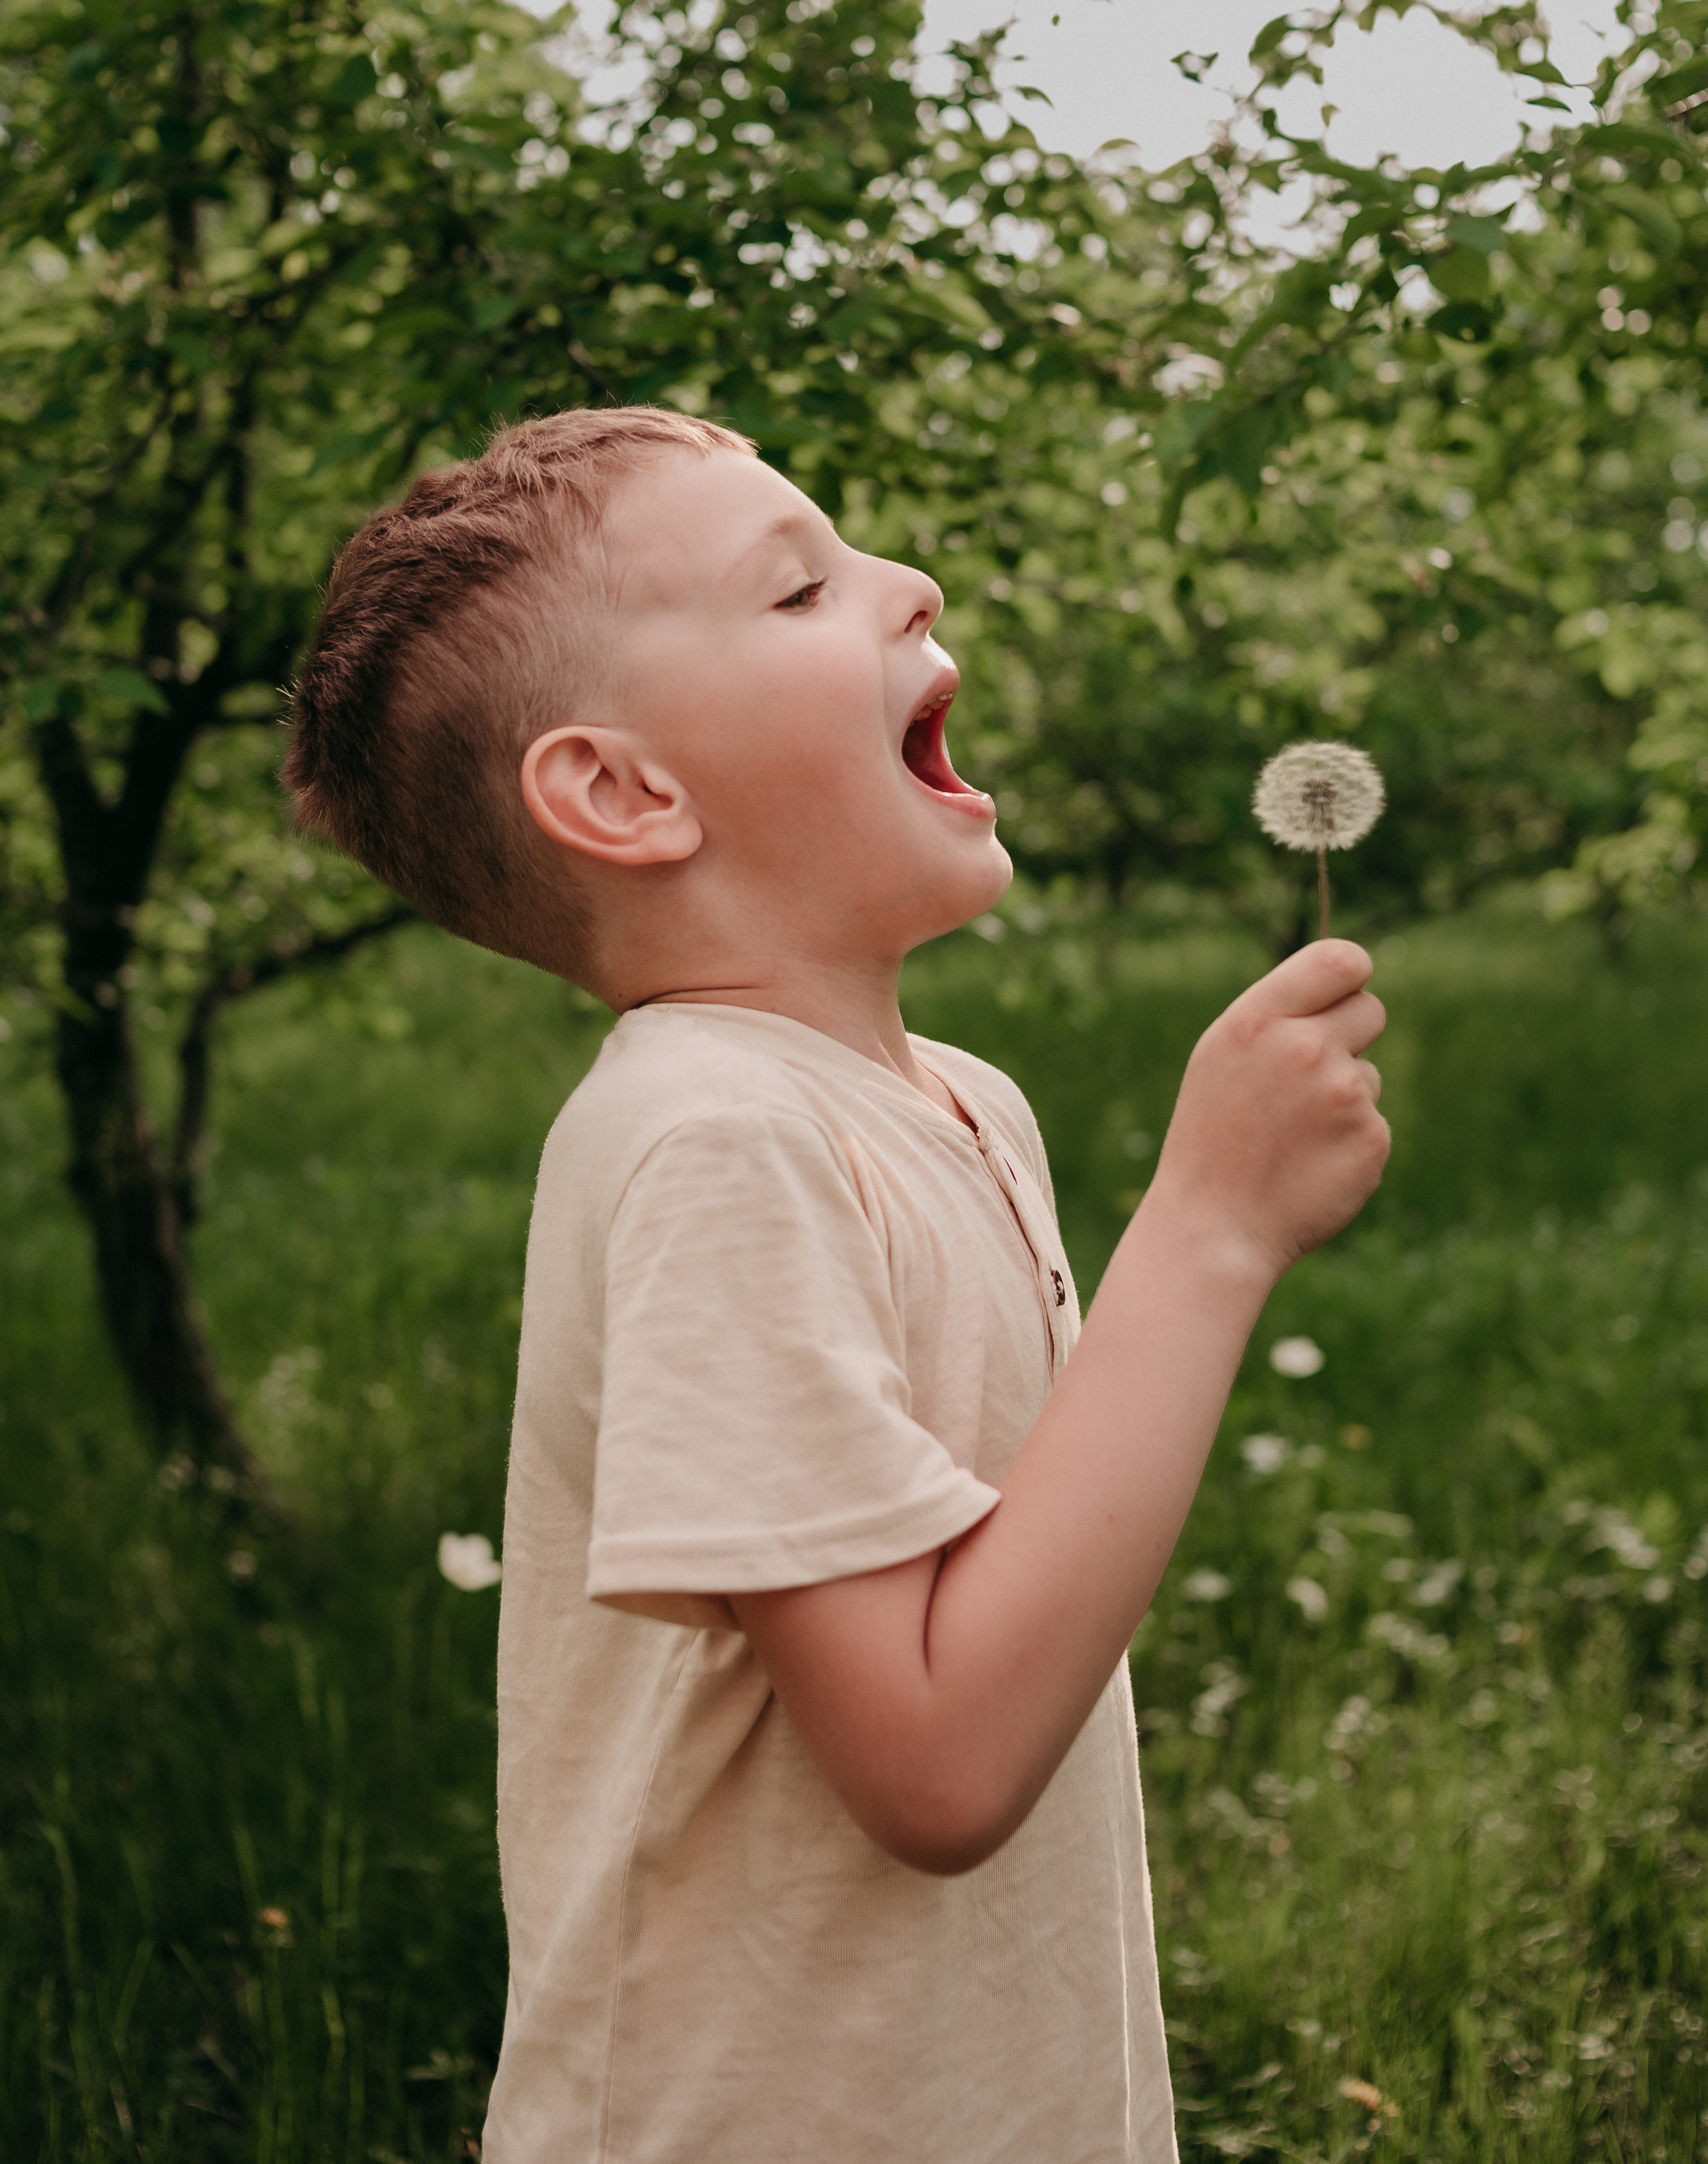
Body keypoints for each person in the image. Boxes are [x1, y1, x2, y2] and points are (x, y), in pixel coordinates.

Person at [282, 405, 1389, 2164]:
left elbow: (1013, 1591)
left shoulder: (958, 1104)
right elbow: (937, 1764)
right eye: (798, 588)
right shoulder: (709, 1140)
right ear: (624, 795)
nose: (907, 583)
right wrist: (1211, 1226)